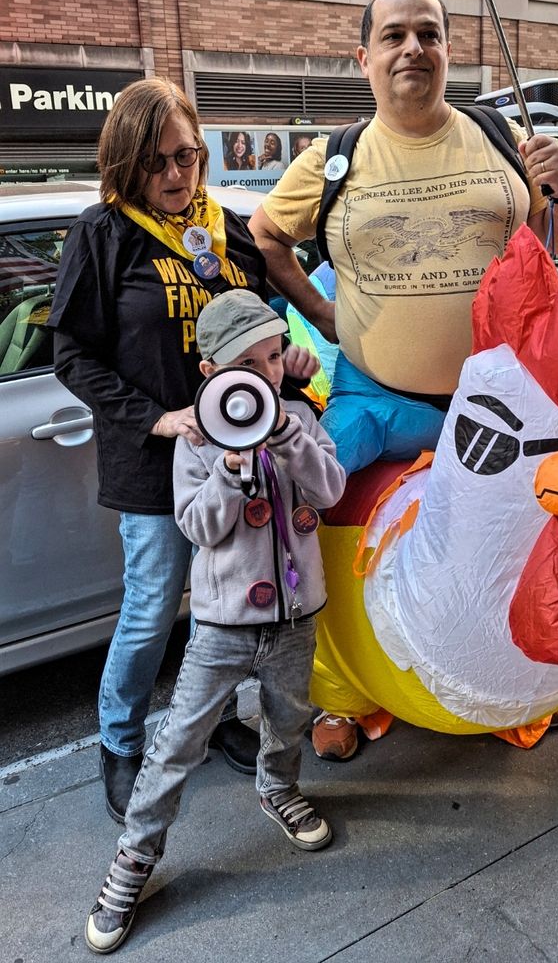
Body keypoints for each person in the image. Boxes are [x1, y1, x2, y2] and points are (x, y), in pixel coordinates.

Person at [249, 0, 558, 759]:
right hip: (378, 396)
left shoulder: (499, 136)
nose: (415, 48)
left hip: (498, 400)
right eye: (396, 35)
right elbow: (266, 236)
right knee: (318, 499)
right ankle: (338, 688)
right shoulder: (333, 158)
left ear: (447, 50)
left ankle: (512, 678)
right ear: (364, 56)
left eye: (430, 34)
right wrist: (327, 312)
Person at [48, 77, 319, 822]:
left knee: (222, 610)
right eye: (158, 161)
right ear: (127, 164)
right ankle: (122, 740)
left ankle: (217, 721)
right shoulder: (103, 234)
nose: (175, 175)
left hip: (244, 458)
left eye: (188, 156)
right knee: (150, 609)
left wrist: (288, 360)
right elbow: (73, 355)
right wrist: (158, 419)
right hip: (155, 464)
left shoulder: (228, 231)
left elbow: (265, 330)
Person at [84, 289, 346, 955]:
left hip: (294, 617)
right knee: (177, 743)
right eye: (245, 366)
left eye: (271, 358)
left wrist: (289, 437)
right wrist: (230, 473)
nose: (263, 375)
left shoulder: (296, 419)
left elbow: (331, 489)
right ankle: (134, 858)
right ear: (212, 375)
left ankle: (277, 788)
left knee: (289, 717)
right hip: (223, 626)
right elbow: (196, 525)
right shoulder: (199, 441)